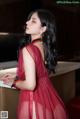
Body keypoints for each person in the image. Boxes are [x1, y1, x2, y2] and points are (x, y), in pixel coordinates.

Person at [2, 9, 68, 119]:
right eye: (28, 20)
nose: (27, 22)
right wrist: (18, 76)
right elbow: (40, 72)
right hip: (48, 96)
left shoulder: (29, 49)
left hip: (34, 99)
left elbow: (30, 85)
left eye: (33, 21)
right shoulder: (44, 46)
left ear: (43, 29)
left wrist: (14, 82)